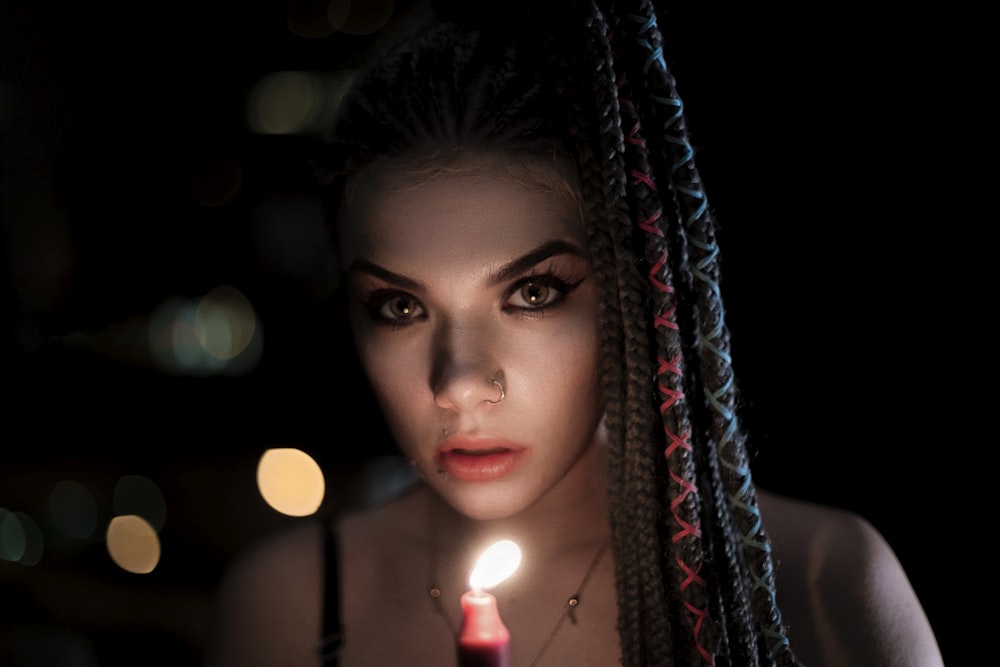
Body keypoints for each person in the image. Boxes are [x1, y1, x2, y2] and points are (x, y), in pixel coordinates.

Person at [202, 1, 945, 665]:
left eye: (532, 292)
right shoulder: (289, 608)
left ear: (634, 294)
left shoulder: (818, 584)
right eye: (399, 307)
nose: (458, 382)